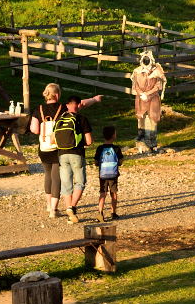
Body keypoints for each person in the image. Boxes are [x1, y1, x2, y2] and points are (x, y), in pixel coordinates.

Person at [28, 83, 102, 218]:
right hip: (59, 147)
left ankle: (48, 205)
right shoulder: (63, 107)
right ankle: (54, 210)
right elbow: (81, 104)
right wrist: (95, 99)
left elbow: (35, 129)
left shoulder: (38, 109)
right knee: (57, 178)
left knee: (48, 175)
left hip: (43, 148)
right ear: (57, 95)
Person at [54, 96, 93, 223]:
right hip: (77, 153)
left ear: (67, 105)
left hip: (62, 154)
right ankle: (72, 207)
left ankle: (71, 216)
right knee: (80, 182)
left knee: (66, 185)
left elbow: (52, 140)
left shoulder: (59, 120)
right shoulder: (81, 119)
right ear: (79, 104)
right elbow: (89, 141)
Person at [131, 50, 167, 153]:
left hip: (153, 99)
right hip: (140, 99)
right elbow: (135, 85)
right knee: (141, 119)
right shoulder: (137, 71)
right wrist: (141, 94)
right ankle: (142, 143)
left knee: (153, 120)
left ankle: (152, 143)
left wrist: (148, 94)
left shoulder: (157, 71)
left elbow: (158, 86)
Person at [93, 125, 124, 222]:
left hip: (102, 175)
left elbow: (96, 162)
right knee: (113, 193)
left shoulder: (100, 148)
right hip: (113, 175)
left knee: (103, 193)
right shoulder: (116, 148)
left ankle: (100, 213)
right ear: (114, 135)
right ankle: (113, 213)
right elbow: (120, 161)